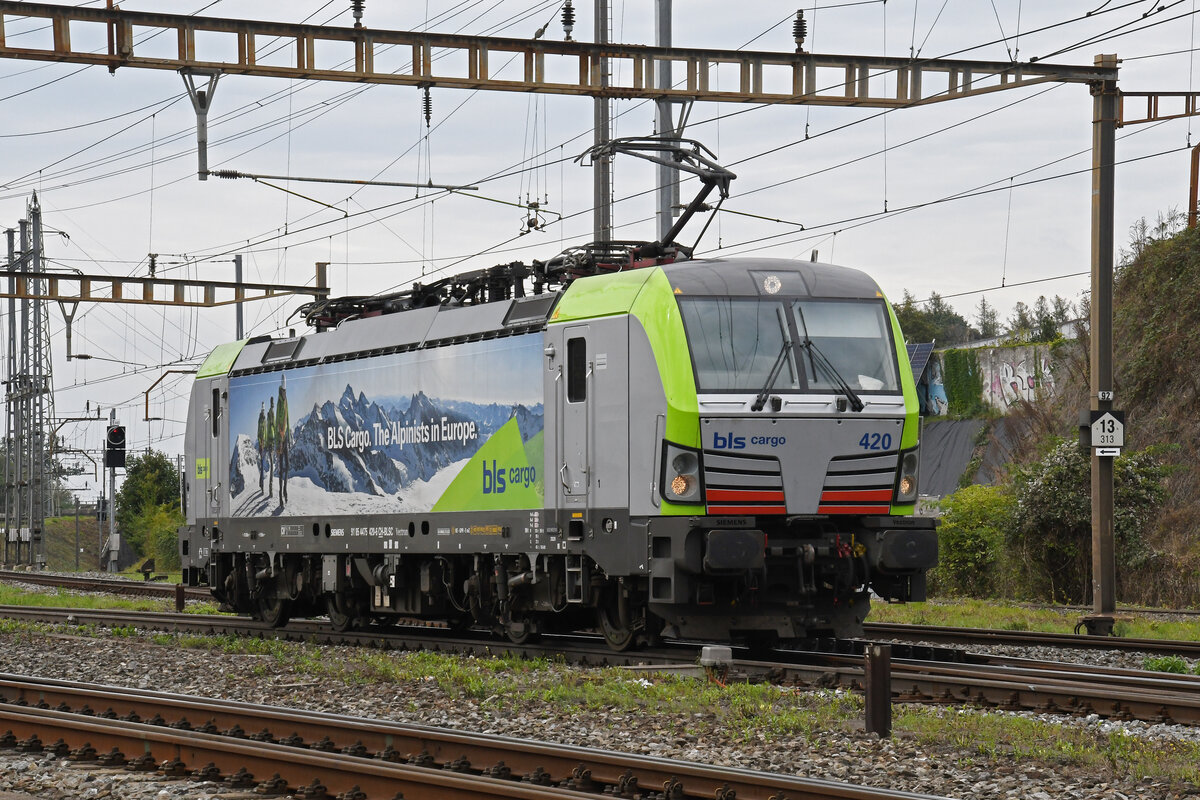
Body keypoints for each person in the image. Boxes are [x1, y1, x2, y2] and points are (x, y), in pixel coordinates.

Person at [276, 374, 291, 504]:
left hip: (285, 438)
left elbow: (288, 419)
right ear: (281, 390)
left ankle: (285, 490)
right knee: (281, 469)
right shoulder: (279, 402)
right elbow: (277, 421)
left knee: (288, 465)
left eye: (286, 391)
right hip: (280, 440)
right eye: (283, 391)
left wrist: (289, 436)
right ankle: (280, 495)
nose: (285, 393)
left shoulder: (286, 401)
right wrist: (278, 440)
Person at [264, 396, 276, 498]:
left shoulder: (269, 422)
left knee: (272, 466)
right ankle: (270, 490)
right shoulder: (270, 423)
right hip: (271, 445)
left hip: (270, 444)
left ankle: (270, 489)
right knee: (272, 466)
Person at [256, 401, 267, 492]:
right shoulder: (260, 421)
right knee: (262, 465)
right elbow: (259, 434)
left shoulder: (264, 420)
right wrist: (261, 443)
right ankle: (262, 485)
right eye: (262, 411)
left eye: (264, 411)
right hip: (261, 446)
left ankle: (261, 483)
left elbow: (265, 433)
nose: (263, 413)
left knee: (263, 465)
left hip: (264, 445)